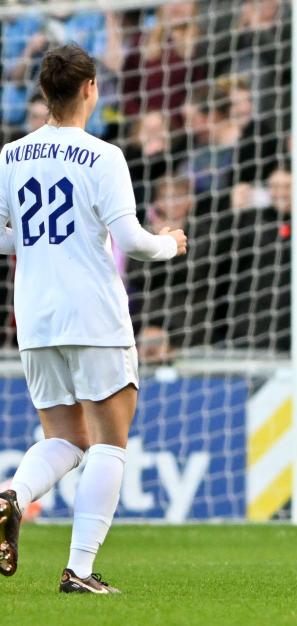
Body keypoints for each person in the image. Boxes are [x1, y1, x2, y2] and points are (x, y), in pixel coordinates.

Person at [0, 45, 187, 593]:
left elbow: (2, 234)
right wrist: (172, 244)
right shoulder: (103, 156)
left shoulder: (10, 156)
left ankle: (11, 493)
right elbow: (131, 239)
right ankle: (78, 569)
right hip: (93, 314)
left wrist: (38, 243)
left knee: (66, 437)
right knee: (109, 441)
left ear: (43, 93)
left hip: (34, 316)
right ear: (90, 89)